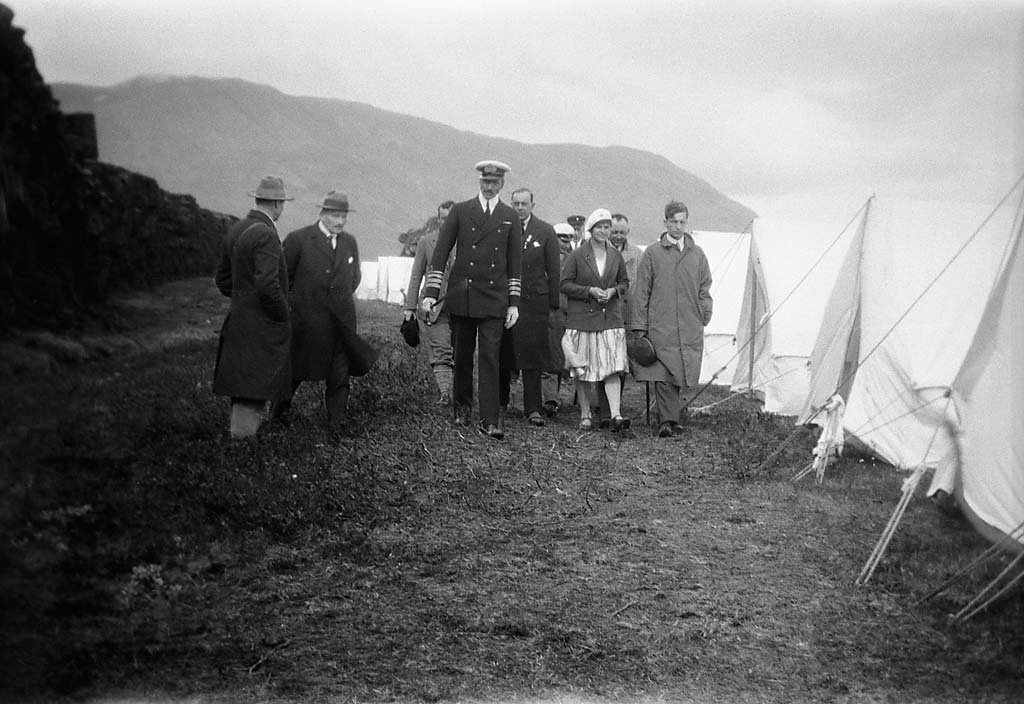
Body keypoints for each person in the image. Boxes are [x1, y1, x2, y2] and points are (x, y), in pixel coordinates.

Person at [420, 160, 522, 440]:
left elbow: (515, 263)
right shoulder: (461, 211)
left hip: (494, 299)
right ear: (479, 182)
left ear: (502, 184)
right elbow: (440, 255)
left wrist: (513, 302)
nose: (489, 187)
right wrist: (431, 294)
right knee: (462, 356)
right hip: (462, 296)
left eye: (494, 183)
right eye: (485, 182)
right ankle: (461, 410)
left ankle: (490, 420)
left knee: (490, 357)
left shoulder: (509, 216)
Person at [272, 190, 364, 430]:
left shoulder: (349, 242)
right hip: (306, 324)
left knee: (339, 377)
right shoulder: (298, 240)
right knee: (294, 372)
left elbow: (354, 279)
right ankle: (277, 419)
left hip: (341, 324)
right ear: (322, 213)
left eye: (344, 216)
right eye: (335, 216)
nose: (340, 222)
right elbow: (283, 280)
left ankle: (336, 428)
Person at [213, 176, 293, 438]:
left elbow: (223, 280)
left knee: (242, 388)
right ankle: (240, 457)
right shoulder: (267, 235)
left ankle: (238, 451)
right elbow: (268, 286)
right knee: (253, 391)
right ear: (278, 203)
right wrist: (282, 316)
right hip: (260, 329)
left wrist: (243, 299)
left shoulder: (237, 229)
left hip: (238, 323)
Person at [631, 200, 713, 438]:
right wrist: (639, 326)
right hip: (661, 323)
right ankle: (667, 421)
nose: (678, 226)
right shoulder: (653, 253)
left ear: (686, 222)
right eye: (673, 221)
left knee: (680, 370)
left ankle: (671, 417)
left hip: (688, 323)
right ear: (665, 222)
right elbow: (641, 291)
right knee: (664, 372)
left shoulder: (697, 254)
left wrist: (704, 312)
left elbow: (705, 286)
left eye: (682, 222)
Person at [559, 208, 631, 431]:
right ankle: (585, 414)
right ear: (591, 230)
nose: (604, 231)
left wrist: (613, 292)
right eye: (599, 227)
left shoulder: (615, 256)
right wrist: (589, 291)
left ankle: (616, 414)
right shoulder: (578, 255)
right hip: (583, 321)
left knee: (612, 367)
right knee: (583, 369)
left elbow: (624, 282)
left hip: (609, 320)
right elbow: (564, 284)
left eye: (607, 227)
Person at [499, 188, 560, 427]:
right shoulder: (503, 227)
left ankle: (533, 407)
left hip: (535, 302)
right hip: (506, 301)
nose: (519, 207)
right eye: (515, 203)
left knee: (533, 355)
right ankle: (500, 402)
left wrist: (553, 304)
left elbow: (554, 270)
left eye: (524, 203)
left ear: (533, 205)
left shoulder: (545, 231)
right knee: (503, 351)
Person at [404, 200, 456, 404]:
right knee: (442, 349)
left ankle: (459, 394)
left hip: (461, 307)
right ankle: (446, 394)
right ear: (439, 219)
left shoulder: (469, 242)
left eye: (452, 218)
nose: (448, 222)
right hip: (434, 306)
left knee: (459, 350)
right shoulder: (427, 242)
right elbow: (416, 275)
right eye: (444, 218)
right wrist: (409, 307)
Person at [541, 223, 575, 415]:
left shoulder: (575, 259)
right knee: (550, 358)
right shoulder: (545, 258)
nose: (564, 243)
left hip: (569, 315)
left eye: (568, 239)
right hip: (549, 312)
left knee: (562, 357)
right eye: (561, 239)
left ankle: (553, 397)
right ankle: (550, 399)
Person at [610, 213, 644, 332]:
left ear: (628, 231)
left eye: (622, 233)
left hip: (629, 318)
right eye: (614, 232)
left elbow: (643, 289)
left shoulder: (638, 255)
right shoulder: (599, 252)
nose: (618, 237)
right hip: (606, 318)